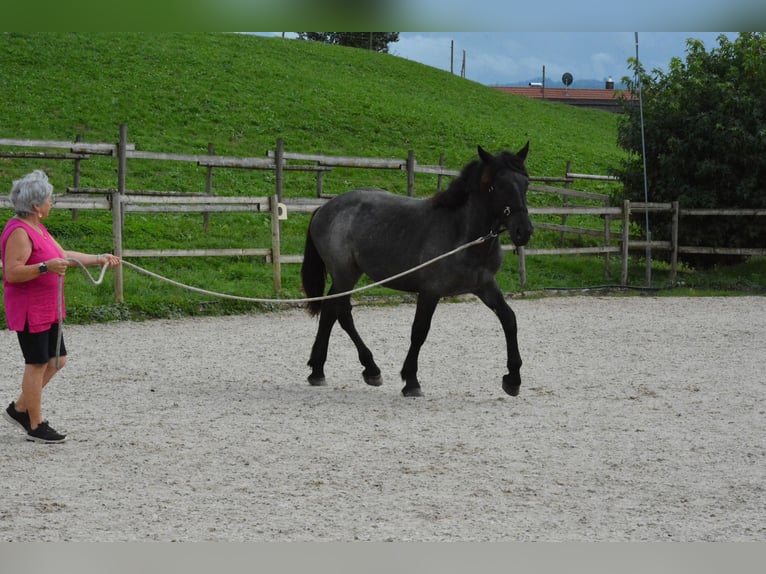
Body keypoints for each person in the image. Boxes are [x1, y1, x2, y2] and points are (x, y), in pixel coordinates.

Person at [1, 170, 121, 443]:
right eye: (48, 199)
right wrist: (45, 268)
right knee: (37, 363)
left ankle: (20, 408)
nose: (51, 203)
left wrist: (98, 258)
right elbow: (12, 272)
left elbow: (62, 255)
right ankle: (35, 424)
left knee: (57, 360)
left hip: (48, 307)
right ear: (35, 206)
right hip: (31, 309)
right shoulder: (19, 232)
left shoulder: (37, 227)